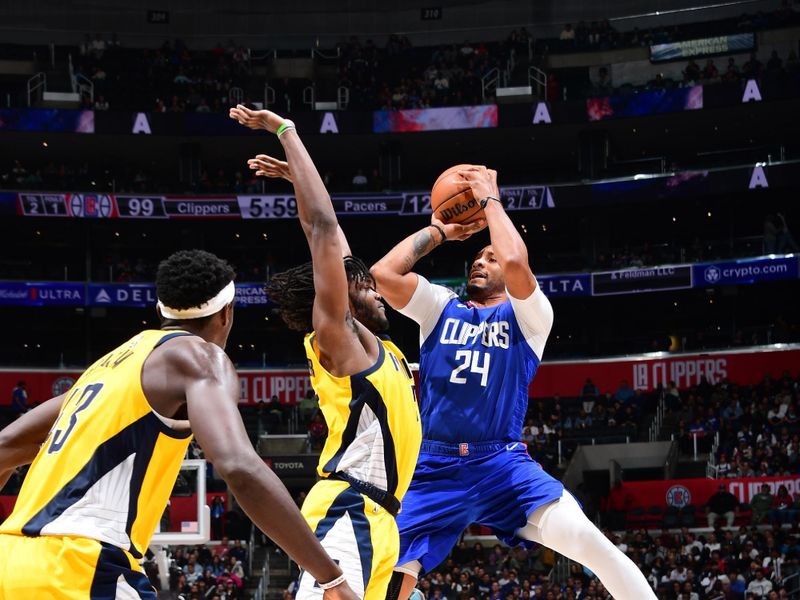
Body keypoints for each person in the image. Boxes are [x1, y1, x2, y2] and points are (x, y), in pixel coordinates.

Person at [0, 249, 357, 600]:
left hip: (11, 561)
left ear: (160, 310)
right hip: (79, 565)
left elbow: (6, 446)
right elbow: (238, 466)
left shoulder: (110, 365)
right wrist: (330, 577)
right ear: (226, 314)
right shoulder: (201, 358)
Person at [370, 167, 656, 600]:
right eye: (478, 257)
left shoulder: (531, 317)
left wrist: (490, 200)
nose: (480, 262)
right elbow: (382, 275)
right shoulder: (440, 308)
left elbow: (517, 261)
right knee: (387, 575)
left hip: (501, 463)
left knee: (590, 544)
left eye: (490, 257)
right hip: (434, 466)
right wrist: (438, 231)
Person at [229, 104, 423, 600]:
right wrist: (284, 131)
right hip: (348, 508)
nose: (379, 291)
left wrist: (296, 176)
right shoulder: (338, 338)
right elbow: (322, 229)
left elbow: (330, 235)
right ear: (346, 290)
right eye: (368, 287)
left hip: (382, 519)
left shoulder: (372, 342)